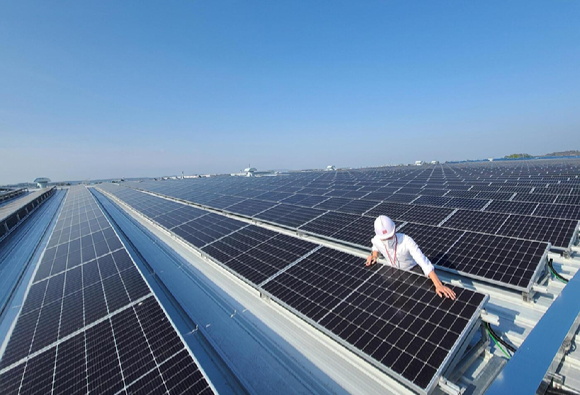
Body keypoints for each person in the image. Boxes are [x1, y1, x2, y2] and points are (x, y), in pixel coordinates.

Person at [365, 215, 456, 300]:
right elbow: (375, 246)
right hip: (392, 273)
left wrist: (438, 284)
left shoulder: (406, 241)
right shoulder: (377, 240)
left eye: (390, 237)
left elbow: (423, 261)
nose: (388, 241)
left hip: (413, 272)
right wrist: (374, 255)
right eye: (384, 239)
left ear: (395, 229)